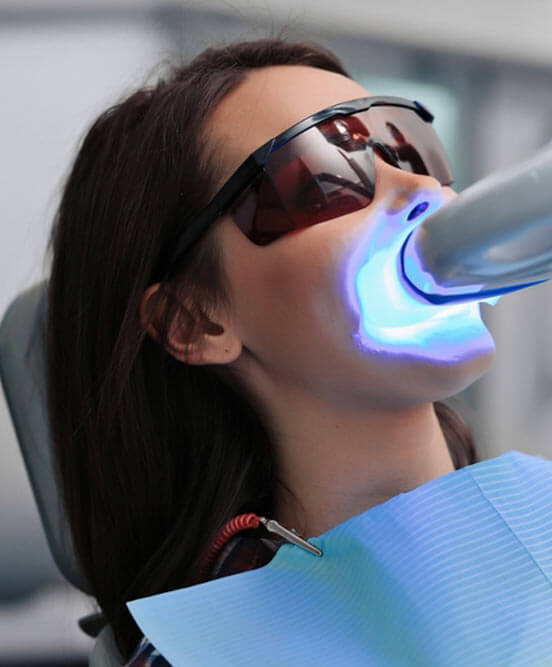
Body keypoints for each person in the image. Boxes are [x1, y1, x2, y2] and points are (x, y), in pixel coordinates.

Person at [46, 39, 494, 662]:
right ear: (193, 320)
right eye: (321, 176)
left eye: (409, 147)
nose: (420, 187)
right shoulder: (217, 652)